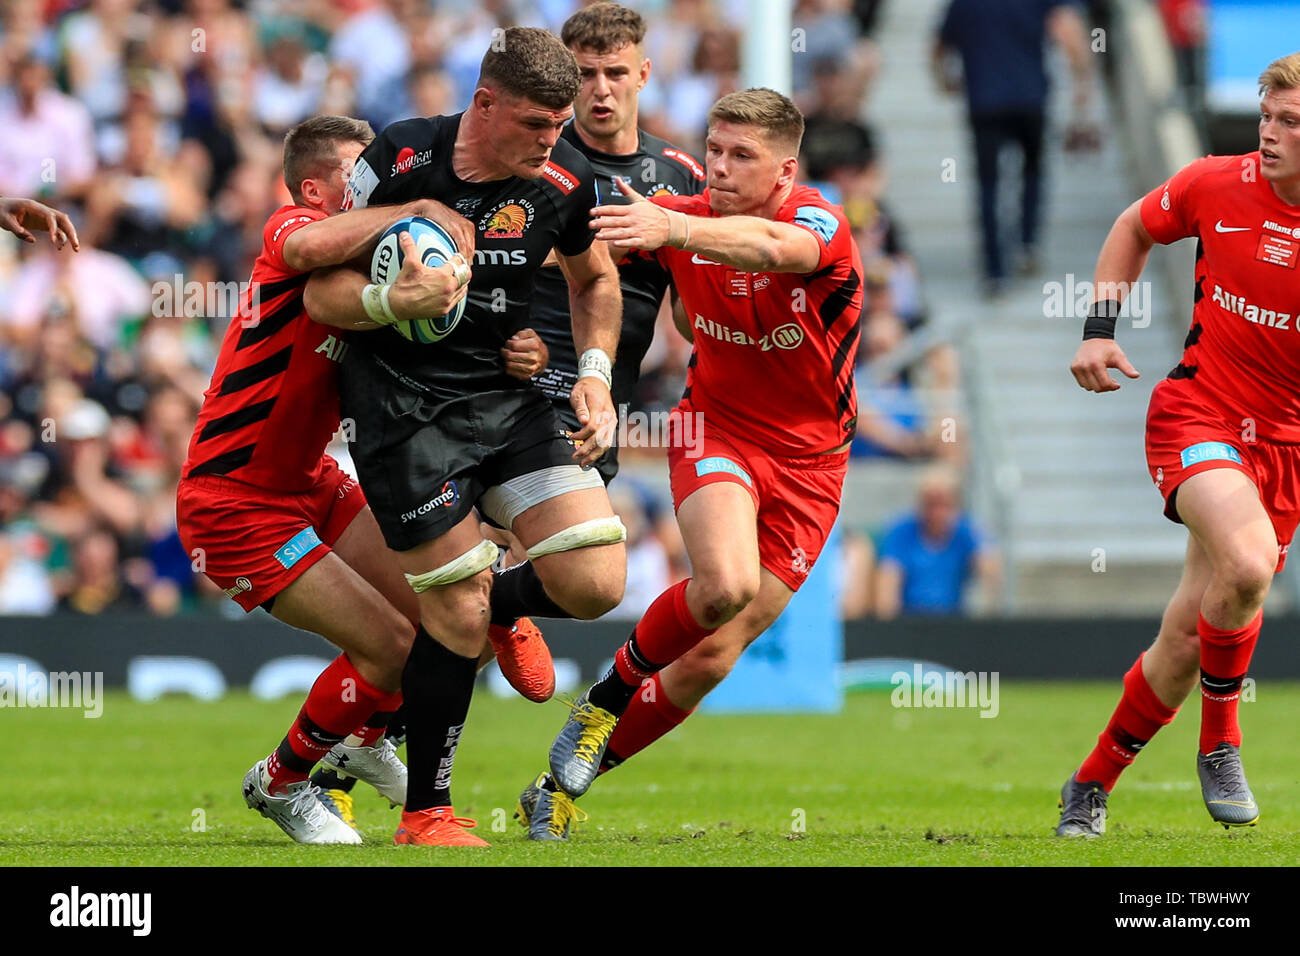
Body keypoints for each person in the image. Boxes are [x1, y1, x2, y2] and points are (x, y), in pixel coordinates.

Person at [175, 114, 548, 845]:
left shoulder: (374, 274)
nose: (382, 176)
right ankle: (280, 784)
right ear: (316, 187)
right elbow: (312, 242)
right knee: (388, 648)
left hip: (309, 482)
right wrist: (416, 207)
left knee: (451, 615)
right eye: (360, 167)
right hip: (234, 500)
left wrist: (523, 347)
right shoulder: (294, 230)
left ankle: (370, 733)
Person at [304, 27, 627, 848]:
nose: (552, 141)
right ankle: (427, 815)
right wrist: (390, 304)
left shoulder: (563, 178)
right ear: (484, 104)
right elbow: (322, 292)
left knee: (595, 580)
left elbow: (595, 279)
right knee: (451, 611)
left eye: (559, 126)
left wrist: (591, 373)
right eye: (534, 124)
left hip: (508, 402)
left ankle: (497, 612)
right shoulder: (400, 160)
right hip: (405, 415)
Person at [518, 87, 865, 840]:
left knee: (713, 655)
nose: (720, 167)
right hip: (717, 430)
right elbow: (574, 257)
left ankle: (557, 787)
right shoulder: (678, 217)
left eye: (742, 156)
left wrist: (674, 225)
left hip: (813, 464)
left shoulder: (817, 220)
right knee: (725, 584)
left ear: (785, 170)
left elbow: (778, 251)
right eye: (713, 149)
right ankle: (602, 702)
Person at [1059, 52, 1300, 837]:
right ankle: (1222, 742)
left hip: (1286, 453)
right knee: (1248, 564)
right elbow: (1134, 225)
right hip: (1199, 413)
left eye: (1290, 124)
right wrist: (1099, 330)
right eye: (1266, 115)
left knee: (1189, 636)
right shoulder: (1213, 183)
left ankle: (1089, 785)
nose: (1269, 134)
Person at [933, 0, 1095, 295]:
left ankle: (994, 269)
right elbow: (1067, 30)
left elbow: (939, 45)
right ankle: (1026, 241)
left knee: (987, 185)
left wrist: (944, 79)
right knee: (1033, 171)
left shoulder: (964, 5)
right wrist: (1082, 83)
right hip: (1030, 98)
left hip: (984, 101)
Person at [873, 466, 999, 618]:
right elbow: (888, 586)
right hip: (909, 621)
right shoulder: (901, 531)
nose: (937, 513)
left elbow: (991, 574)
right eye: (931, 504)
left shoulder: (966, 532)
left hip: (953, 621)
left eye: (945, 504)